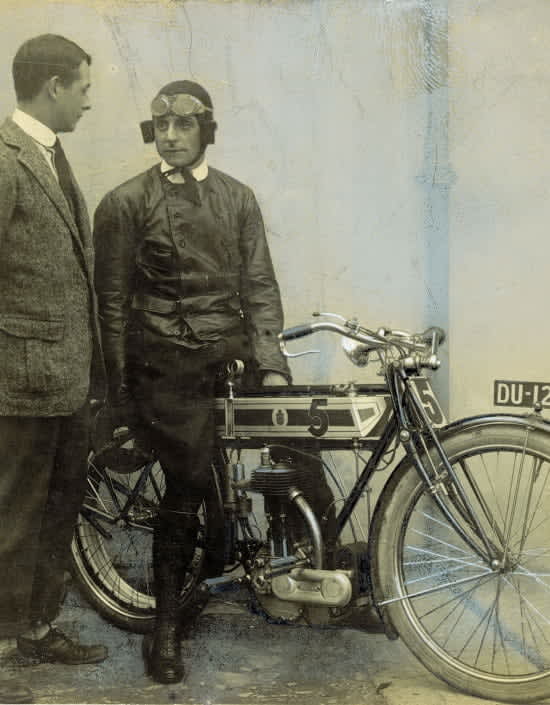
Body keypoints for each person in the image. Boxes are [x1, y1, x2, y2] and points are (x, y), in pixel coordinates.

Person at [93, 79, 336, 685]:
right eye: (161, 126)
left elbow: (259, 287)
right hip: (164, 364)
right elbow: (113, 305)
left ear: (206, 130)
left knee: (302, 439)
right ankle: (167, 625)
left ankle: (316, 580)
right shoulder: (126, 203)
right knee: (188, 480)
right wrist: (122, 390)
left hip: (228, 354)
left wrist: (272, 363)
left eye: (183, 125)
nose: (170, 136)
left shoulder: (238, 199)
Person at [0, 34, 108, 704]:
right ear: (52, 87)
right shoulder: (8, 160)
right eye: (84, 87)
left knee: (55, 512)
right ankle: (11, 641)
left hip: (65, 378)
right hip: (21, 379)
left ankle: (35, 629)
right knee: (15, 513)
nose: (90, 101)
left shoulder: (49, 153)